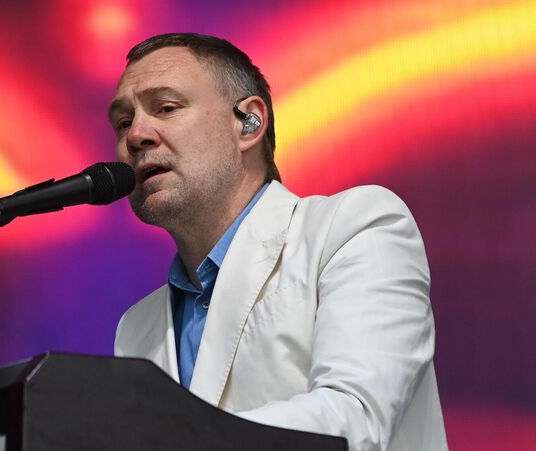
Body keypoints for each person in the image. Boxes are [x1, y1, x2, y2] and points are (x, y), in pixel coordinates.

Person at [110, 33, 448, 451]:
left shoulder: (355, 228)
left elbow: (354, 418)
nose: (136, 135)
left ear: (249, 123)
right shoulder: (136, 326)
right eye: (122, 122)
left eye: (166, 107)